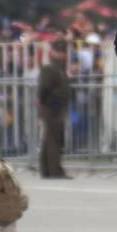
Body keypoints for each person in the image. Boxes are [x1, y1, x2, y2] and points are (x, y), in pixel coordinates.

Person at [36, 41, 71, 178]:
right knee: (53, 140)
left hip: (56, 106)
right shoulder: (50, 68)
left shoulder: (58, 67)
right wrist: (45, 104)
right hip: (52, 107)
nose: (62, 54)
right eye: (59, 51)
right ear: (53, 52)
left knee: (50, 138)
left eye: (63, 51)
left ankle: (47, 170)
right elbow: (44, 88)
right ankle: (54, 170)